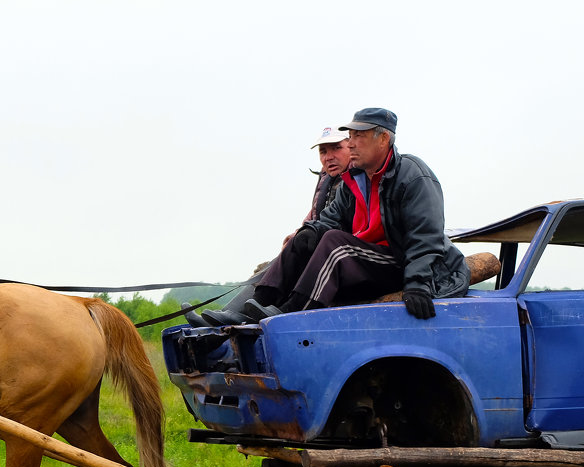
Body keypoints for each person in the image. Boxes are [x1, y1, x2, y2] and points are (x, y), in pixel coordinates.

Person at [219, 107, 469, 324]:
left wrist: (416, 284)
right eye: (349, 136)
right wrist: (309, 233)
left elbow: (425, 239)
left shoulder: (413, 176)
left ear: (383, 139)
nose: (350, 143)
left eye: (358, 137)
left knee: (336, 244)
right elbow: (330, 220)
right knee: (305, 236)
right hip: (367, 261)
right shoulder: (355, 178)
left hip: (401, 263)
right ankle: (253, 305)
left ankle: (292, 313)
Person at [190, 125, 352, 327]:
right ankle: (225, 316)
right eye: (323, 151)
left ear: (351, 147)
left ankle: (237, 315)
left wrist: (305, 236)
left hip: (336, 251)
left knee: (277, 266)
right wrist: (299, 232)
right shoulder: (327, 179)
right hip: (318, 242)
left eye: (336, 148)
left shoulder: (357, 178)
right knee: (272, 265)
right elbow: (316, 214)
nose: (328, 157)